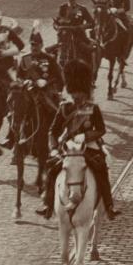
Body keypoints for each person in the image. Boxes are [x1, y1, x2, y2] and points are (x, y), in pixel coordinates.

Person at [40, 74, 117, 219]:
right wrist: (54, 148)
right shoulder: (64, 108)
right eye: (74, 92)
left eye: (79, 93)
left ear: (84, 93)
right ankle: (48, 204)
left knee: (101, 169)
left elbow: (101, 129)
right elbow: (53, 131)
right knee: (51, 168)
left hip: (88, 147)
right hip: (68, 147)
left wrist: (86, 136)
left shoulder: (92, 108)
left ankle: (109, 205)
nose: (76, 96)